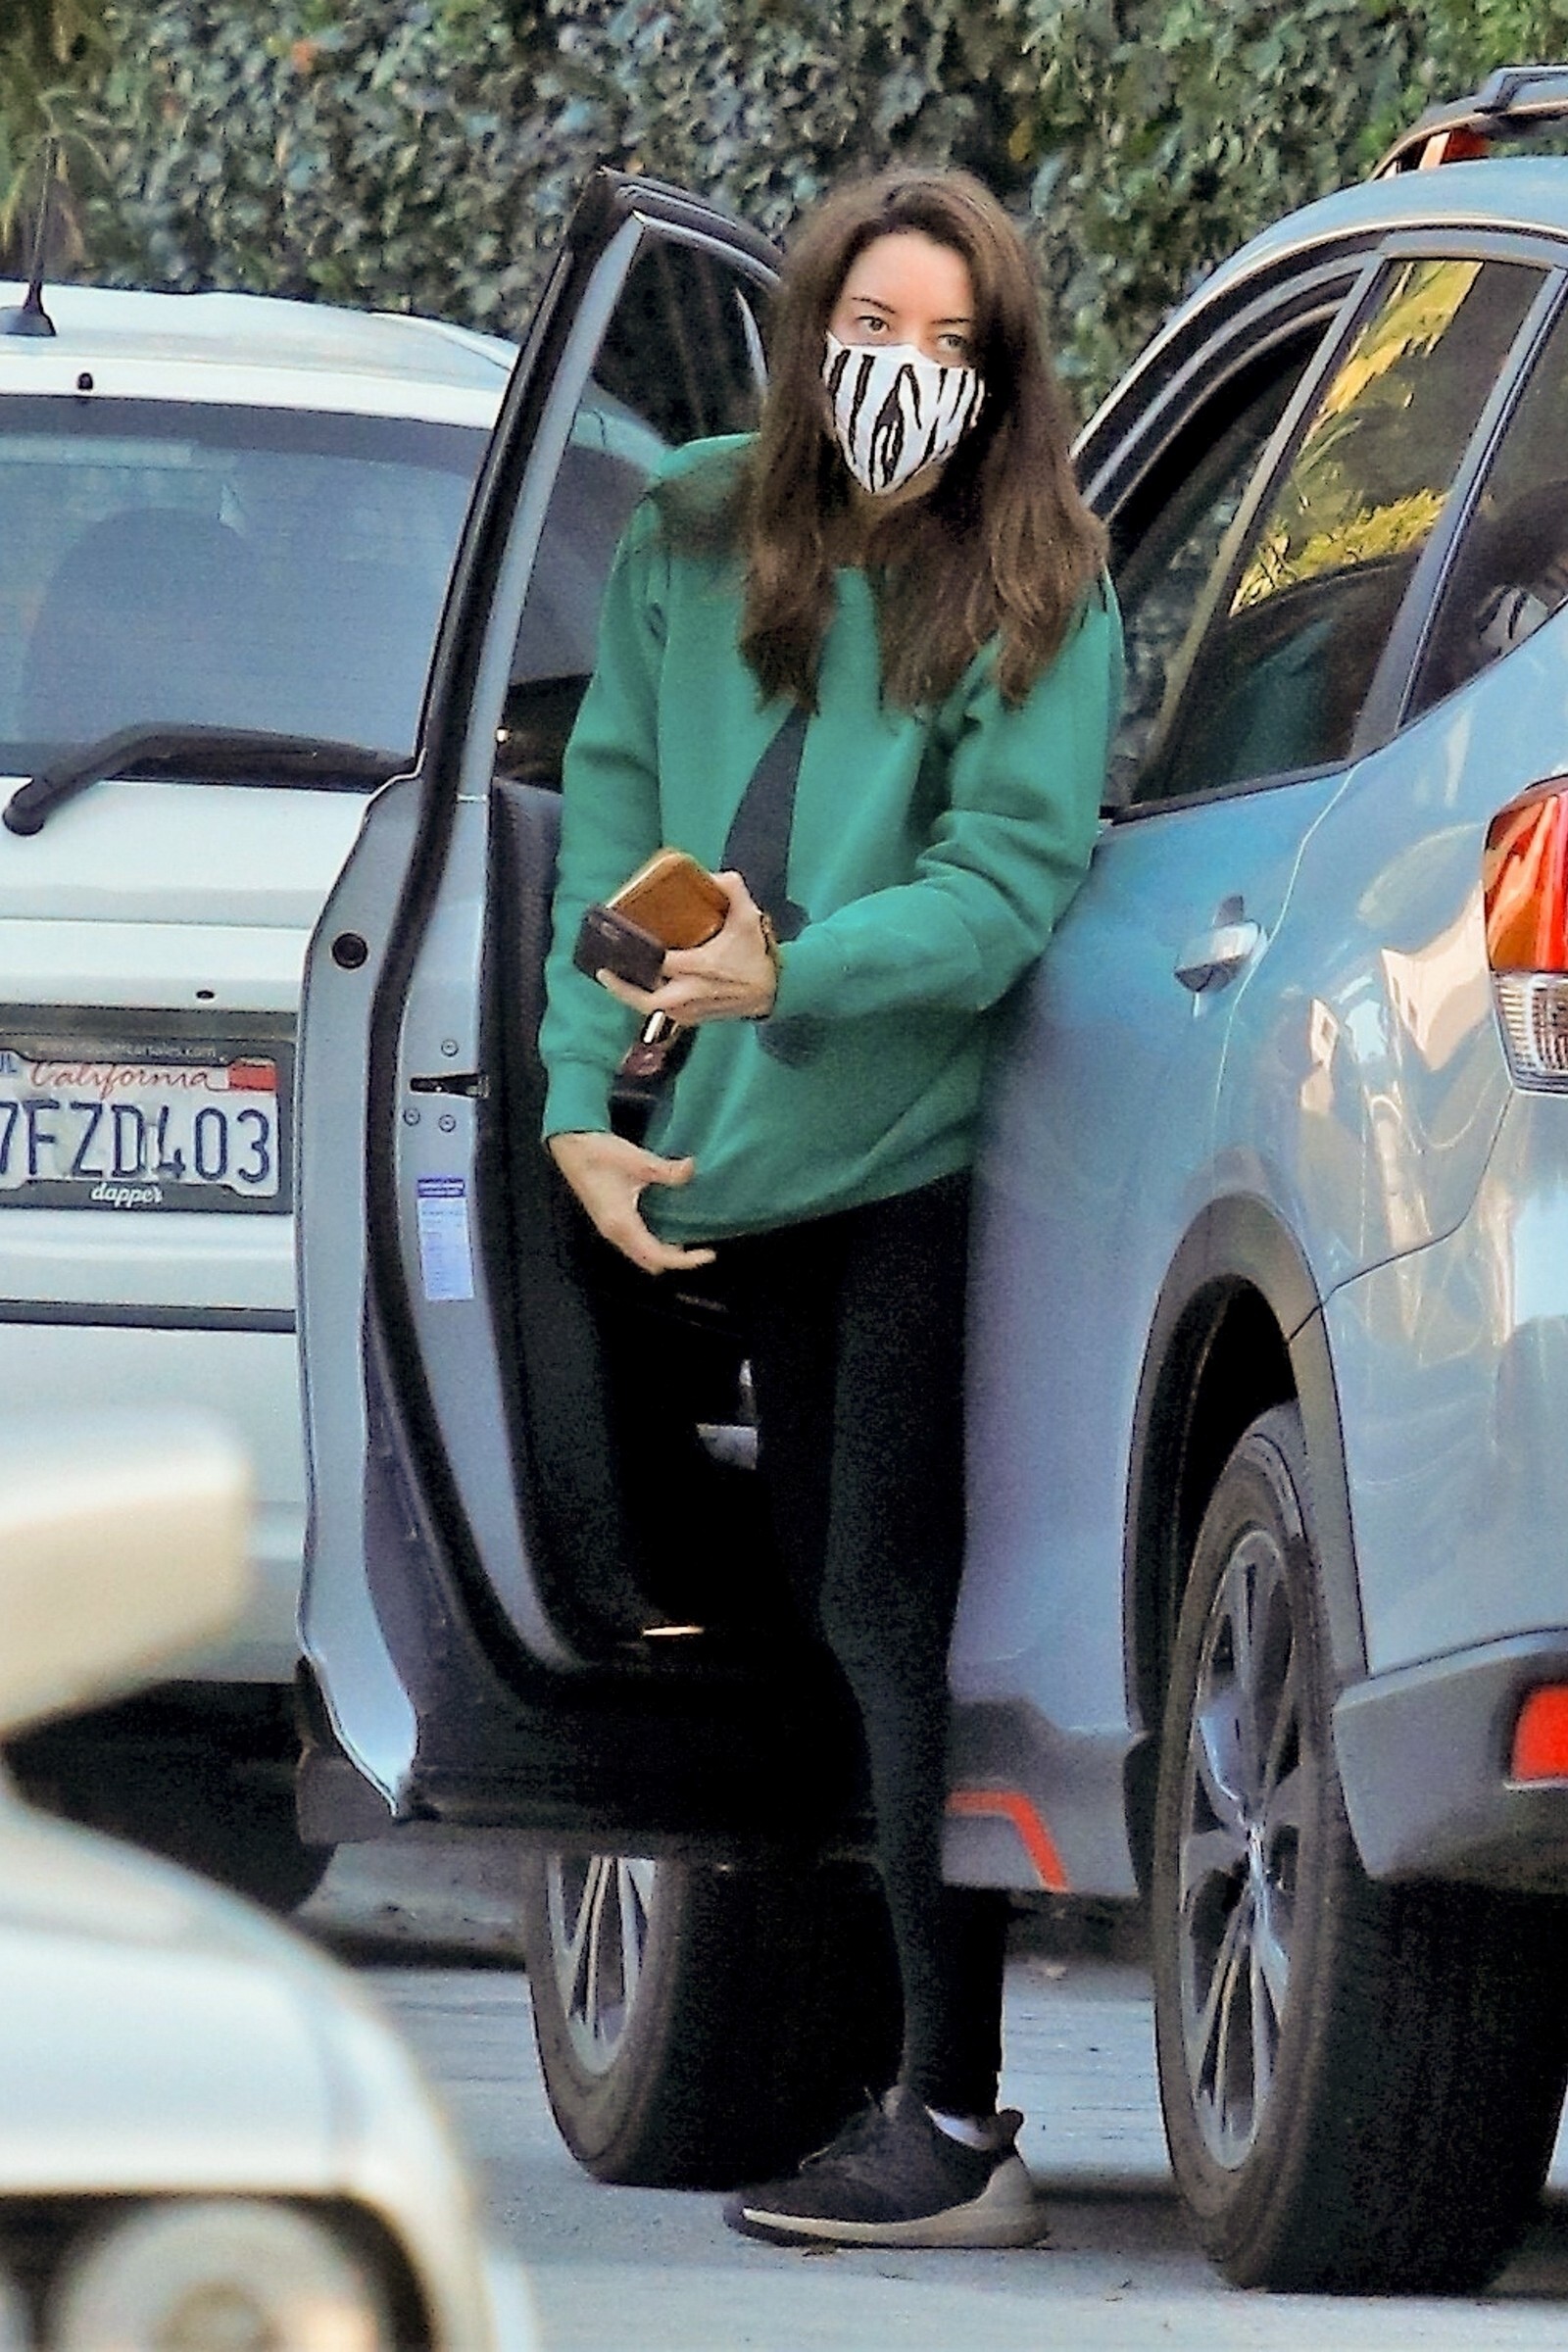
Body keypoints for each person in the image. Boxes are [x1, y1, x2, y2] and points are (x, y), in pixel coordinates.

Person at [539, 166, 1122, 2250]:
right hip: (738, 1155)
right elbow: (611, 815)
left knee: (884, 1603)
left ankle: (952, 2125)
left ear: (1002, 374)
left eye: (951, 343)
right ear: (806, 337)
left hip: (917, 1160)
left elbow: (1002, 887)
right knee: (804, 1603)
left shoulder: (1038, 581)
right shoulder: (696, 529)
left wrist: (793, 968)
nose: (904, 373)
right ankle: (858, 2080)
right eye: (871, 329)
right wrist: (574, 1105)